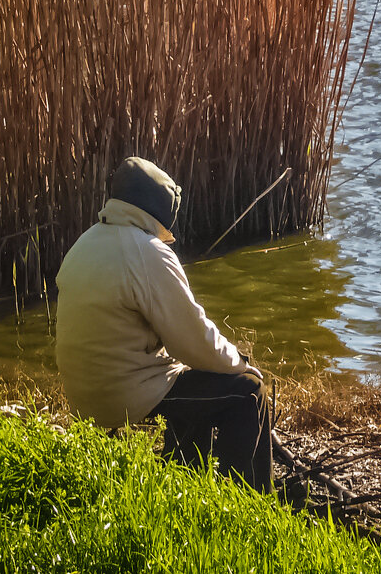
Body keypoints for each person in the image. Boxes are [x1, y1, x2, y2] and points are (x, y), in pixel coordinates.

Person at [55, 156, 273, 492]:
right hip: (123, 398)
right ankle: (249, 503)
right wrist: (240, 364)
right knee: (248, 393)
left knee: (186, 380)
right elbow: (194, 339)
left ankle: (184, 479)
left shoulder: (83, 244)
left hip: (85, 398)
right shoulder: (148, 251)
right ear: (159, 215)